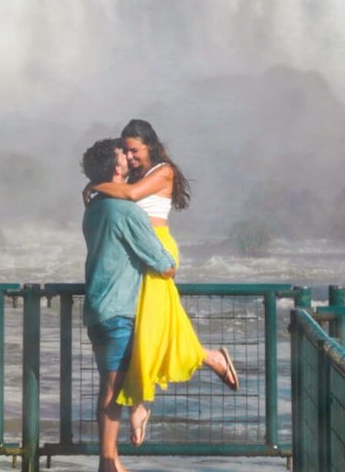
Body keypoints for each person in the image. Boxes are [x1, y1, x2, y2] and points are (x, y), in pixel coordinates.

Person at [84, 118, 238, 446]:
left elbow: (130, 194)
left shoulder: (163, 171)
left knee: (152, 327)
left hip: (157, 249)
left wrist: (96, 185)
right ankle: (146, 401)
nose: (131, 156)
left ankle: (147, 400)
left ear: (150, 146)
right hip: (137, 250)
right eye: (125, 151)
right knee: (148, 328)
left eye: (135, 150)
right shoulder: (132, 175)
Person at [81, 137, 177, 472]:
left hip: (96, 307)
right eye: (124, 154)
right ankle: (108, 461)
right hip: (118, 310)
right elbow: (164, 263)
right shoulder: (123, 209)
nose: (129, 158)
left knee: (110, 385)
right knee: (112, 388)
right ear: (117, 167)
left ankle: (110, 459)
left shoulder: (94, 206)